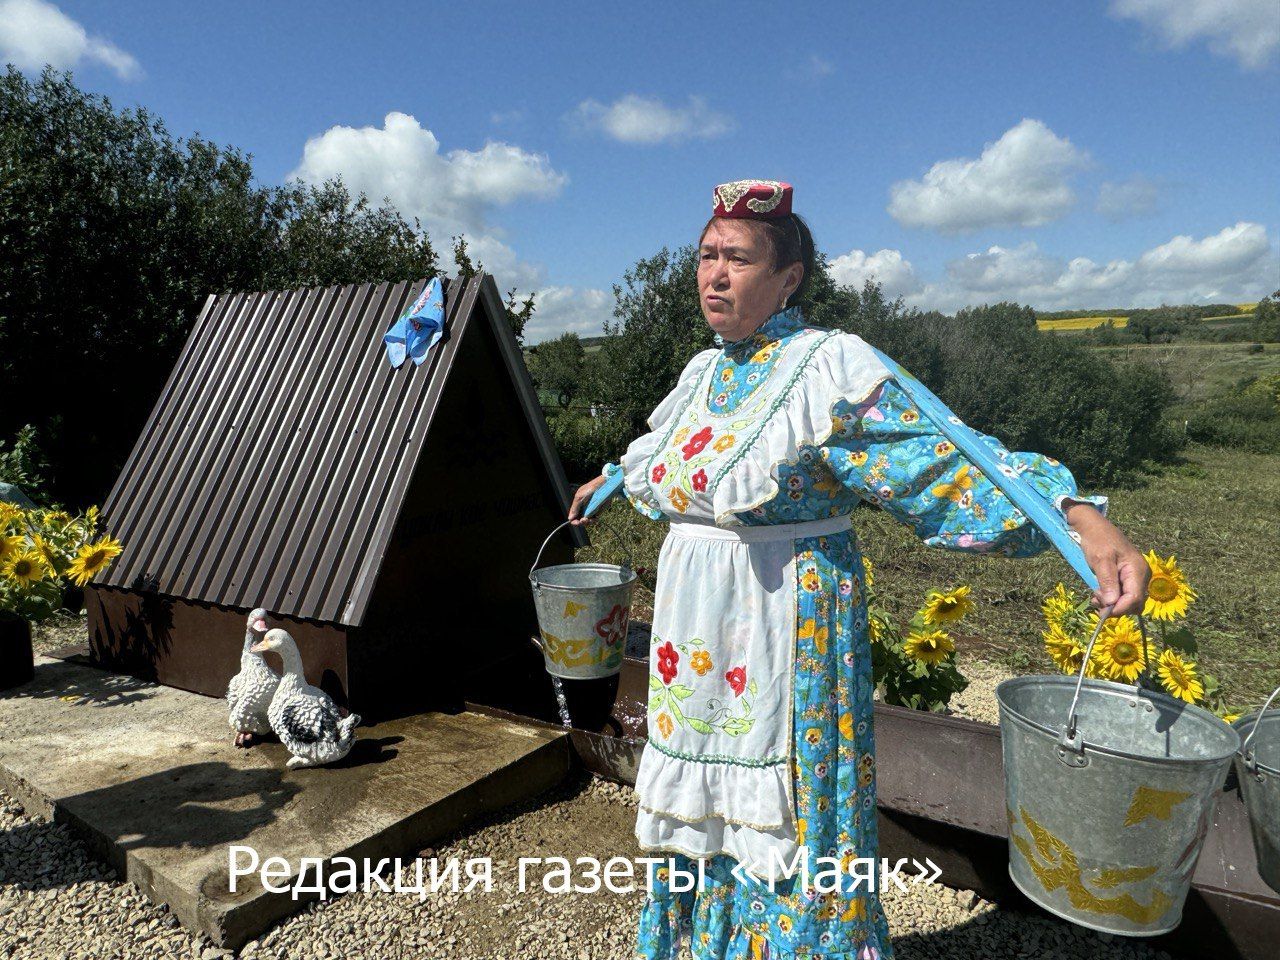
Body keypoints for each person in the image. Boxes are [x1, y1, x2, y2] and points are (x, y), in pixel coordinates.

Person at [568, 179, 1150, 960]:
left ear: (788, 278)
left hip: (785, 625)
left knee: (792, 808)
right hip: (695, 637)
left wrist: (1075, 515)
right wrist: (610, 478)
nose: (713, 274)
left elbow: (943, 456)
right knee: (698, 809)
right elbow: (672, 459)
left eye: (737, 258)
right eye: (706, 255)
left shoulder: (828, 370)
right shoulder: (705, 374)